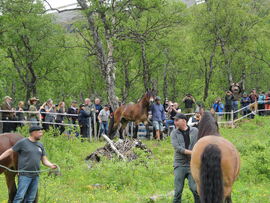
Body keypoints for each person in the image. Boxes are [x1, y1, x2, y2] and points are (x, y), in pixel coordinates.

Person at [0, 126, 57, 203]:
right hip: (24, 175)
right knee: (20, 196)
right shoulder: (22, 143)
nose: (41, 134)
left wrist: (51, 165)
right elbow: (10, 151)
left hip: (35, 175)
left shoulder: (40, 145)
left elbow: (44, 159)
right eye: (39, 132)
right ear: (33, 133)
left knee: (31, 198)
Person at [171, 113, 200, 203]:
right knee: (178, 191)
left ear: (184, 121)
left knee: (195, 189)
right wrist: (193, 152)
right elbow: (178, 148)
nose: (175, 122)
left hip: (192, 164)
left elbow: (200, 142)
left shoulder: (195, 131)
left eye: (177, 120)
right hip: (180, 164)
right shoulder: (174, 133)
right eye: (174, 120)